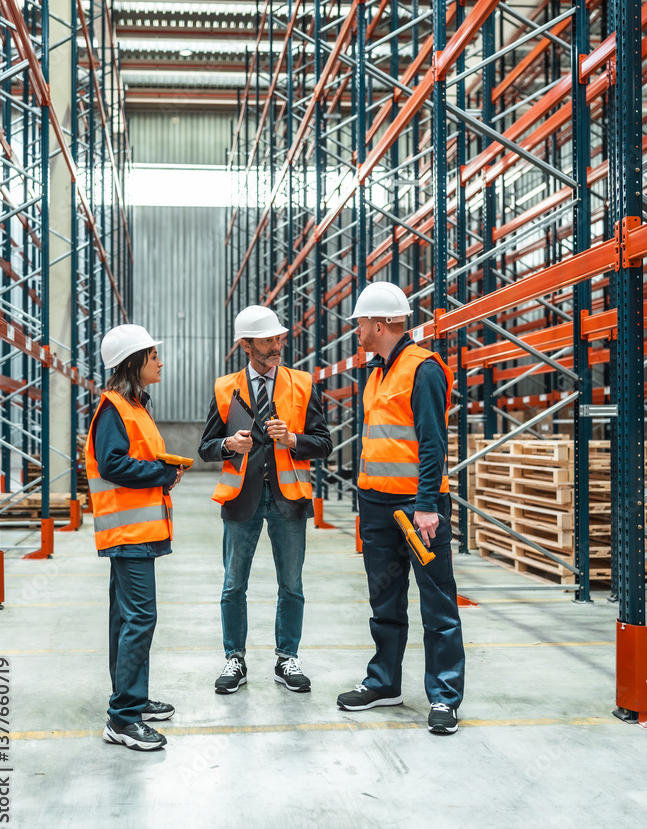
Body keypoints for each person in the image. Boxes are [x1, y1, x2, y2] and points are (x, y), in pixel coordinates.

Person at [336, 282, 465, 734]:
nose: (356, 331)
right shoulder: (375, 373)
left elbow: (432, 444)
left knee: (437, 604)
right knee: (384, 600)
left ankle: (445, 696)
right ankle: (384, 682)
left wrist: (428, 505)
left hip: (418, 507)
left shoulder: (422, 369)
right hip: (376, 507)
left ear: (379, 324)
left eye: (359, 324)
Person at [199, 305, 332, 694]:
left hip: (288, 499)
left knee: (291, 584)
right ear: (246, 345)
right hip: (241, 500)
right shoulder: (226, 388)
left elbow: (323, 443)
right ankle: (234, 658)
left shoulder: (302, 383)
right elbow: (206, 447)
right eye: (268, 341)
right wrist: (229, 444)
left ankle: (287, 658)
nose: (277, 346)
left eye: (278, 338)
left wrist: (293, 440)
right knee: (232, 585)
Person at [85, 324, 185, 751]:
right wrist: (162, 474)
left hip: (135, 530)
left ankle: (132, 701)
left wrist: (163, 472)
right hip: (128, 533)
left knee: (125, 619)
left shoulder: (134, 405)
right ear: (133, 362)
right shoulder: (113, 409)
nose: (160, 362)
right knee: (141, 619)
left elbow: (134, 459)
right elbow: (111, 464)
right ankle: (123, 718)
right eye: (153, 355)